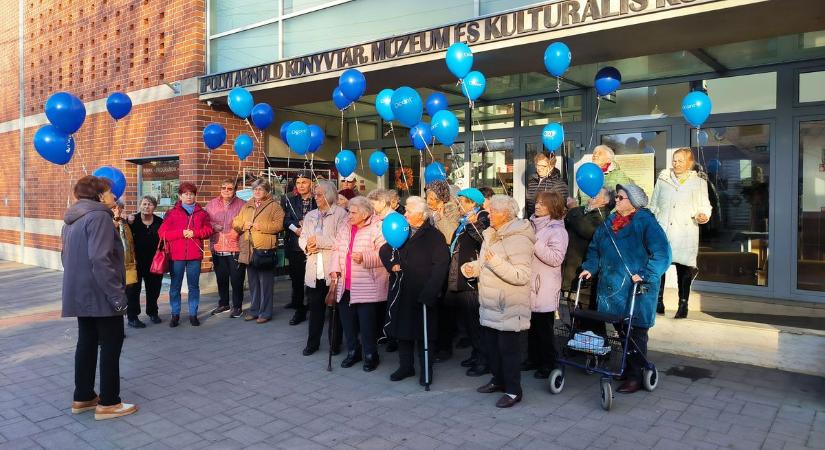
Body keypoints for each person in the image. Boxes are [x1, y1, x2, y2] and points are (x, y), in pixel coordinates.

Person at [580, 184, 671, 394]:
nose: (617, 201)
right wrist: (590, 268)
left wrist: (647, 274)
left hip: (637, 288)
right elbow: (595, 248)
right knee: (622, 332)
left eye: (621, 198)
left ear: (633, 201)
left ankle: (636, 376)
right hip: (613, 287)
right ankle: (629, 369)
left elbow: (662, 254)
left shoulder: (646, 222)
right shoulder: (610, 222)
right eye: (618, 198)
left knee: (636, 333)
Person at [62, 175, 137, 420]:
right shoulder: (99, 217)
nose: (113, 196)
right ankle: (109, 402)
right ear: (98, 195)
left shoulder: (72, 220)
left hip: (81, 293)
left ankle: (83, 396)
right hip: (102, 294)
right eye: (108, 192)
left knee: (86, 342)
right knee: (111, 345)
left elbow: (64, 257)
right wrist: (117, 296)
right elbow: (100, 259)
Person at [461, 195, 535, 408]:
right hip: (490, 301)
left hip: (509, 304)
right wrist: (473, 268)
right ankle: (498, 380)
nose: (489, 214)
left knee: (508, 351)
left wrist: (494, 262)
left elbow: (521, 275)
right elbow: (487, 263)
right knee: (492, 347)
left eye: (494, 211)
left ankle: (513, 391)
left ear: (507, 214)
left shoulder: (519, 238)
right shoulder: (492, 234)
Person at [379, 196, 450, 385]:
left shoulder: (434, 236)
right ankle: (405, 366)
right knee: (403, 331)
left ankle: (426, 370)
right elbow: (385, 250)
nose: (405, 214)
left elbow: (441, 265)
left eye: (409, 211)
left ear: (420, 214)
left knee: (425, 334)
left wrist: (431, 291)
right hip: (403, 289)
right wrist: (391, 263)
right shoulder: (402, 231)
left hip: (424, 291)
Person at [649, 148, 711, 319]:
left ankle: (683, 305)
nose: (676, 164)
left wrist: (703, 215)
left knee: (684, 270)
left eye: (680, 161)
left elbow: (705, 206)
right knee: (659, 267)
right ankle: (658, 301)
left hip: (685, 231)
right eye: (674, 160)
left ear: (690, 163)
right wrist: (650, 219)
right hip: (663, 229)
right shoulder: (663, 179)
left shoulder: (699, 183)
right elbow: (654, 203)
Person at [329, 197, 388, 372]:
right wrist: (334, 269)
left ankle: (371, 355)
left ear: (365, 213)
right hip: (344, 282)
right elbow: (336, 249)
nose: (349, 215)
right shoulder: (345, 225)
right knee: (348, 322)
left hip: (366, 284)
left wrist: (365, 257)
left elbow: (385, 253)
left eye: (353, 212)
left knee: (366, 324)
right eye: (349, 211)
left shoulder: (377, 227)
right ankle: (353, 351)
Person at [445, 188, 490, 377]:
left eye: (462, 201)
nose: (459, 205)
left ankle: (484, 360)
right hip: (460, 276)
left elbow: (482, 239)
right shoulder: (464, 221)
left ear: (473, 203)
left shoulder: (483, 217)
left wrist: (473, 225)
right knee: (468, 321)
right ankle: (475, 353)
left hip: (473, 279)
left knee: (475, 322)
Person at [299, 181, 346, 356]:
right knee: (315, 309)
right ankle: (312, 343)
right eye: (315, 194)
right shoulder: (311, 215)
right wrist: (306, 246)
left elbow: (341, 241)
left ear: (329, 195)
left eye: (319, 194)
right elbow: (303, 237)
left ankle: (335, 344)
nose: (315, 197)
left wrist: (319, 241)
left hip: (332, 270)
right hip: (313, 269)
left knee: (334, 311)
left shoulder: (341, 214)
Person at [525, 191, 568, 379]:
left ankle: (549, 363)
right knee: (531, 327)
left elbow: (556, 258)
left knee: (544, 329)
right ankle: (533, 359)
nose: (537, 205)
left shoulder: (558, 230)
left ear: (553, 207)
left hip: (544, 287)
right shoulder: (530, 224)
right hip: (529, 284)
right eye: (537, 202)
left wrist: (534, 242)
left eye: (543, 204)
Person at [158, 182, 213, 327]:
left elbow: (208, 230)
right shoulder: (171, 213)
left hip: (194, 256)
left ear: (195, 195)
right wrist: (180, 233)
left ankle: (193, 314)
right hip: (176, 257)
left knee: (193, 286)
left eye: (191, 194)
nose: (189, 197)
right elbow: (162, 234)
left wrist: (195, 233)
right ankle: (175, 314)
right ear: (180, 196)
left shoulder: (202, 213)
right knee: (175, 287)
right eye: (186, 194)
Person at [562, 187, 615, 335]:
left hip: (586, 272)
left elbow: (587, 230)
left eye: (598, 193)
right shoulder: (584, 212)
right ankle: (577, 341)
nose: (592, 194)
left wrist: (572, 209)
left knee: (588, 314)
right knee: (573, 310)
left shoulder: (603, 217)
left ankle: (597, 345)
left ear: (605, 201)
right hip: (572, 270)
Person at [233, 178, 285, 324]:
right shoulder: (247, 205)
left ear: (267, 191)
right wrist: (244, 224)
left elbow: (279, 226)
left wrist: (259, 225)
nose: (257, 192)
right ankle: (254, 310)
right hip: (248, 249)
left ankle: (266, 312)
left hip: (264, 250)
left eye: (260, 189)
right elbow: (235, 222)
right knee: (253, 283)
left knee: (266, 284)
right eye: (255, 189)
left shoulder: (274, 206)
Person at [426, 180, 461, 363]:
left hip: (447, 263)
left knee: (445, 307)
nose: (428, 200)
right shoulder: (428, 210)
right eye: (427, 196)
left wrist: (439, 217)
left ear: (441, 197)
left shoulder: (450, 209)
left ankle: (445, 347)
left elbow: (451, 236)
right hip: (431, 261)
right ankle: (434, 342)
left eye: (432, 197)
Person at [205, 178, 246, 318]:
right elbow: (205, 221)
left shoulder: (243, 205)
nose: (226, 191)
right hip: (217, 246)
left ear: (235, 190)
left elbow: (246, 223)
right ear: (220, 189)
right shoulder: (211, 204)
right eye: (224, 188)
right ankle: (223, 304)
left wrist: (237, 231)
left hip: (235, 247)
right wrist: (212, 226)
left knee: (236, 280)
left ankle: (237, 306)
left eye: (230, 188)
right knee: (221, 279)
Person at [282, 173, 316, 326]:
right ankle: (298, 306)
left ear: (311, 183)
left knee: (312, 279)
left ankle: (311, 305)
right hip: (296, 245)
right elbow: (286, 219)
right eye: (298, 182)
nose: (301, 185)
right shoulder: (290, 200)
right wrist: (295, 229)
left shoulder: (318, 200)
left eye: (304, 182)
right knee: (296, 278)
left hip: (313, 245)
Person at [125, 195, 163, 325]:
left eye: (150, 204)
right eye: (144, 204)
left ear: (155, 207)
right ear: (140, 205)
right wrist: (126, 220)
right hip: (136, 262)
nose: (147, 207)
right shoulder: (132, 220)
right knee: (133, 290)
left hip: (154, 262)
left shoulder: (159, 221)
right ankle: (132, 317)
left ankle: (153, 312)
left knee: (154, 289)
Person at [111, 200, 139, 328]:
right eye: (114, 208)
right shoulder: (104, 223)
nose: (117, 210)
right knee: (115, 296)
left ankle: (132, 318)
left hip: (128, 264)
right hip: (113, 266)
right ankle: (115, 326)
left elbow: (130, 242)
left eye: (119, 208)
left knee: (130, 293)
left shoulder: (124, 222)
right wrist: (115, 219)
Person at [526, 152, 569, 218]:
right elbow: (529, 205)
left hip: (549, 224)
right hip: (532, 221)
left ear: (551, 166)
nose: (539, 168)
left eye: (543, 166)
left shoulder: (559, 184)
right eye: (537, 165)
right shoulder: (532, 181)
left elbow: (561, 209)